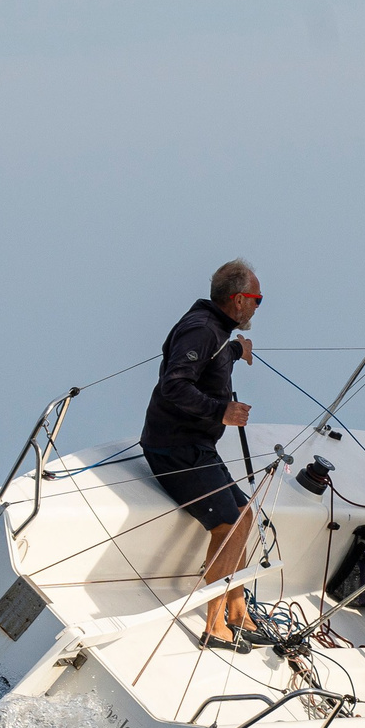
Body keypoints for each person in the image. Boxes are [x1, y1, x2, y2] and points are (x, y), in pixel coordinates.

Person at [140, 259, 262, 646]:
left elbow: (211, 359)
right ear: (239, 300)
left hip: (197, 446)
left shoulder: (215, 330)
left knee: (245, 515)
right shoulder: (201, 329)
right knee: (227, 527)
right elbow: (173, 384)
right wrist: (220, 411)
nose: (259, 306)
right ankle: (214, 624)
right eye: (258, 299)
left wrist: (237, 351)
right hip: (175, 448)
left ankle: (237, 610)